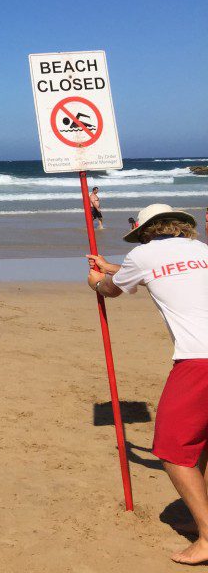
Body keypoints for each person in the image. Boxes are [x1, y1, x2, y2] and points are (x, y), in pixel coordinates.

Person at [85, 203, 208, 565]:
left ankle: (207, 537)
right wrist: (114, 269)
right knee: (198, 441)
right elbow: (157, 274)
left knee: (171, 449)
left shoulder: (142, 254)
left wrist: (97, 279)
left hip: (199, 358)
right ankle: (196, 513)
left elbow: (113, 289)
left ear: (143, 231)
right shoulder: (202, 251)